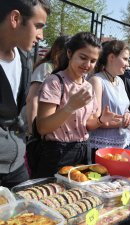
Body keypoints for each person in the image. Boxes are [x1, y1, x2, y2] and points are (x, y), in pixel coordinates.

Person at [35, 32, 121, 178]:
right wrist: (70, 107)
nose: (87, 65)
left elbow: (87, 124)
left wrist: (101, 120)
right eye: (83, 57)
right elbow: (42, 127)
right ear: (69, 53)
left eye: (93, 61)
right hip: (57, 154)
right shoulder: (55, 82)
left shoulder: (88, 86)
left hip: (82, 152)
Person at [0, 0, 50, 188]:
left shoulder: (24, 59)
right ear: (15, 18)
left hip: (17, 166)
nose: (41, 36)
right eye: (38, 26)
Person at [89, 40, 130, 162]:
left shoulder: (119, 81)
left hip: (124, 143)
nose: (127, 64)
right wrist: (123, 123)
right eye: (125, 59)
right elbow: (95, 119)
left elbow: (124, 108)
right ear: (111, 57)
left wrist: (128, 115)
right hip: (105, 148)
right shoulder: (97, 81)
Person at [26, 35, 70, 134]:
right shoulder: (47, 67)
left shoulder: (64, 71)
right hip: (40, 128)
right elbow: (32, 98)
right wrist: (33, 130)